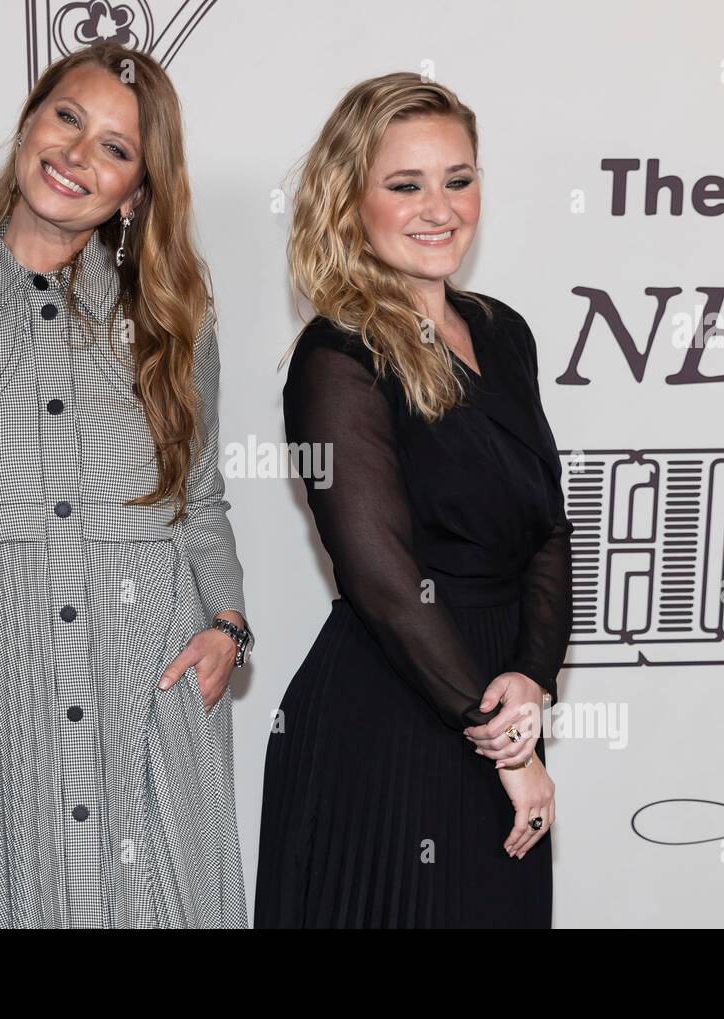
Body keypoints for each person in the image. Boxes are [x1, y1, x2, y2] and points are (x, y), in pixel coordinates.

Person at [0, 42, 254, 928]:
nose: (79, 155)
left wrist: (227, 623)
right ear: (30, 123)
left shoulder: (175, 327)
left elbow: (203, 500)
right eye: (68, 119)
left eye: (117, 148)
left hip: (149, 704)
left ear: (137, 191)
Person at [254, 72, 573, 928]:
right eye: (406, 184)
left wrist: (532, 682)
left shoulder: (503, 331)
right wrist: (500, 738)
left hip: (499, 697)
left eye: (458, 179)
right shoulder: (338, 356)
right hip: (394, 716)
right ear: (350, 199)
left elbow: (547, 525)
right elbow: (382, 579)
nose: (441, 207)